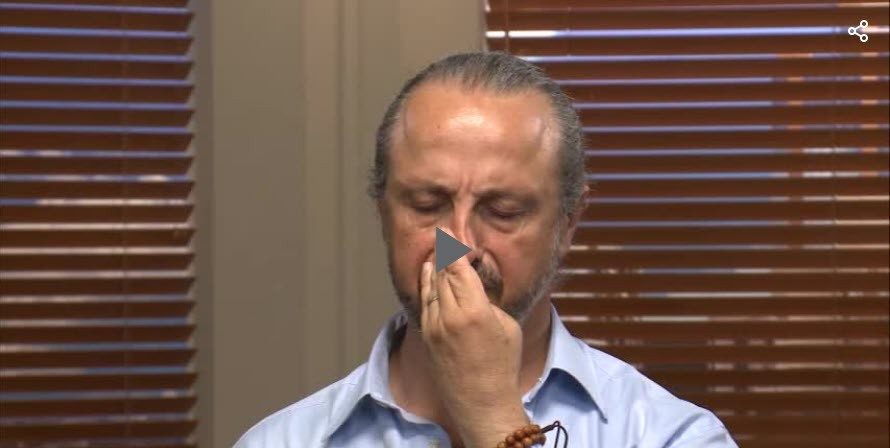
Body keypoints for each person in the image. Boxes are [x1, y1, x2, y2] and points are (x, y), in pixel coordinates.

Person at [234, 52, 738, 447]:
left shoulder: (668, 435)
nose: (459, 248)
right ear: (383, 212)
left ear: (568, 223)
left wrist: (493, 416)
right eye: (428, 205)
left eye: (503, 211)